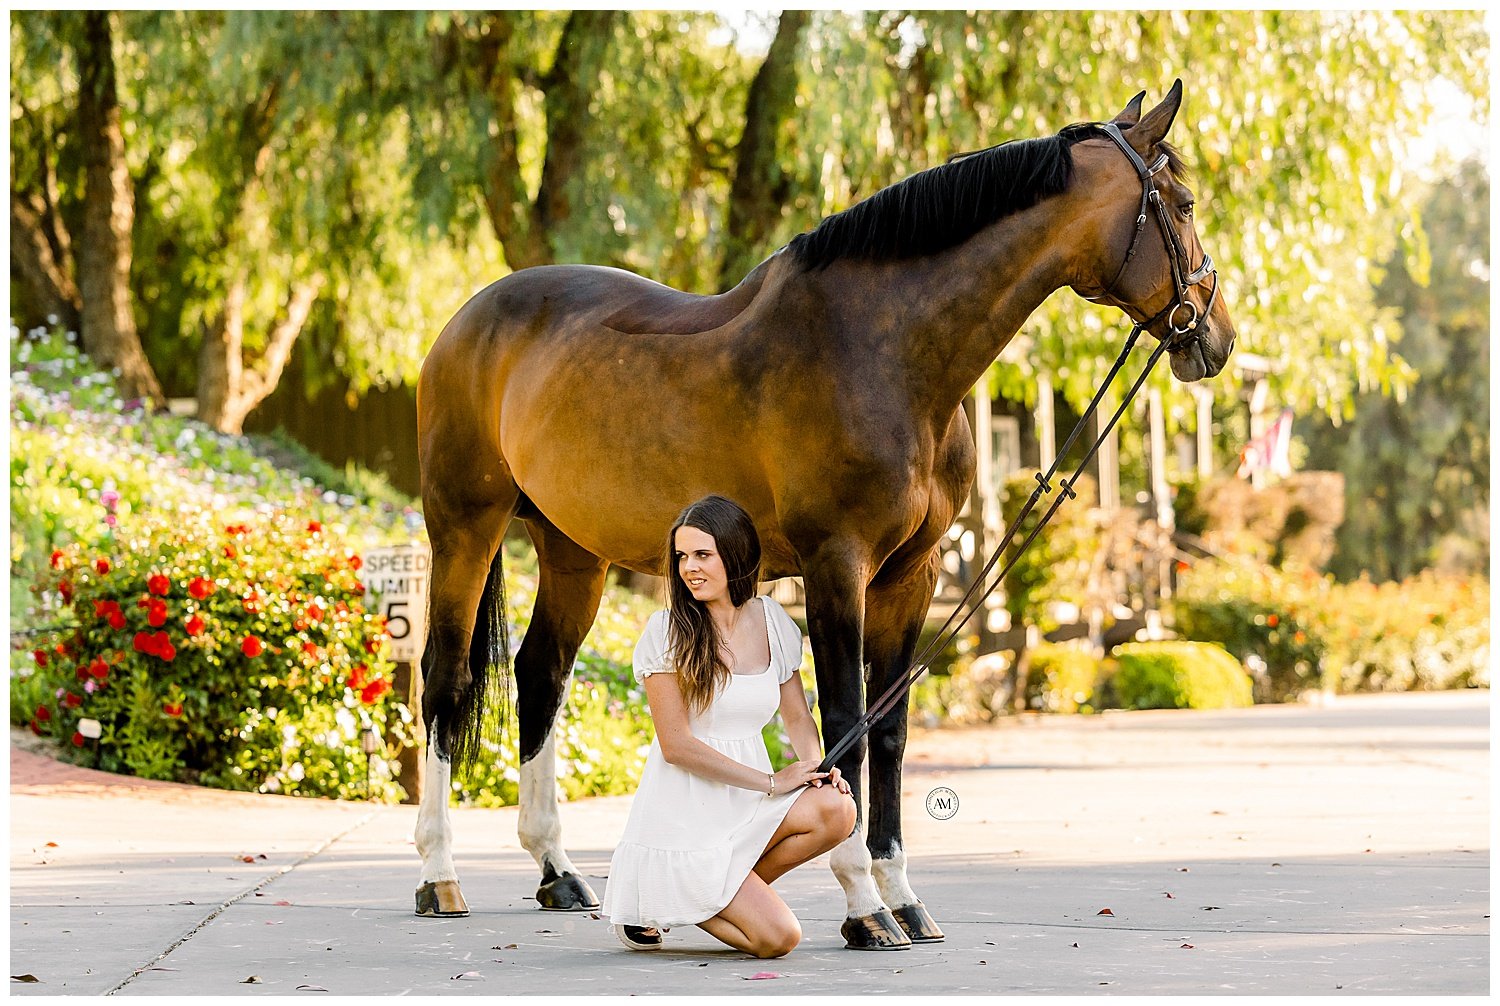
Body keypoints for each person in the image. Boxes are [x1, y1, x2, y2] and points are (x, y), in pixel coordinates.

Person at [601, 494, 857, 958]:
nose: (689, 568)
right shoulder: (668, 631)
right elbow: (676, 745)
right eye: (682, 556)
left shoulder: (772, 622)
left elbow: (796, 715)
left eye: (703, 554)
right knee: (780, 939)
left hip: (748, 807)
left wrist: (817, 768)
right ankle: (681, 890)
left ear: (735, 555)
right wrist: (771, 782)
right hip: (687, 814)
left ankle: (704, 892)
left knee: (837, 808)